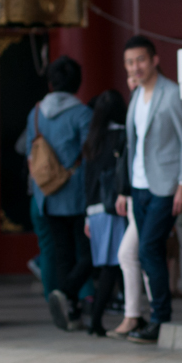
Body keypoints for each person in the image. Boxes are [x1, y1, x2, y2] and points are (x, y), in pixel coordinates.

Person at [115, 35, 182, 344]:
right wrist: (126, 189)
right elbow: (132, 144)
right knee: (145, 252)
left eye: (141, 60)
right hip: (139, 187)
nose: (136, 66)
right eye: (130, 62)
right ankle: (151, 317)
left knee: (147, 249)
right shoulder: (135, 97)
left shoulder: (171, 94)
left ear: (155, 59)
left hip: (165, 186)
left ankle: (160, 319)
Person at [27, 56, 95, 331]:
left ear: (51, 82)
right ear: (77, 84)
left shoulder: (35, 112)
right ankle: (68, 294)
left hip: (47, 194)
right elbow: (91, 155)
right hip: (76, 193)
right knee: (88, 252)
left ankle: (71, 310)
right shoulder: (82, 114)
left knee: (62, 252)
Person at [82, 90, 130, 337]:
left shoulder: (92, 140)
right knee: (115, 265)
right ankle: (97, 320)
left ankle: (130, 314)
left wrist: (87, 215)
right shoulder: (122, 136)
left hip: (96, 210)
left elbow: (87, 180)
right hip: (115, 208)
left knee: (113, 265)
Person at [109, 73, 150, 338]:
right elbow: (128, 154)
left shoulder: (158, 100)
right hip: (135, 189)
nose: (132, 76)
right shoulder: (136, 103)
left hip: (153, 189)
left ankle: (140, 314)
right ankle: (136, 314)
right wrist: (124, 191)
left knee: (140, 252)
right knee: (135, 253)